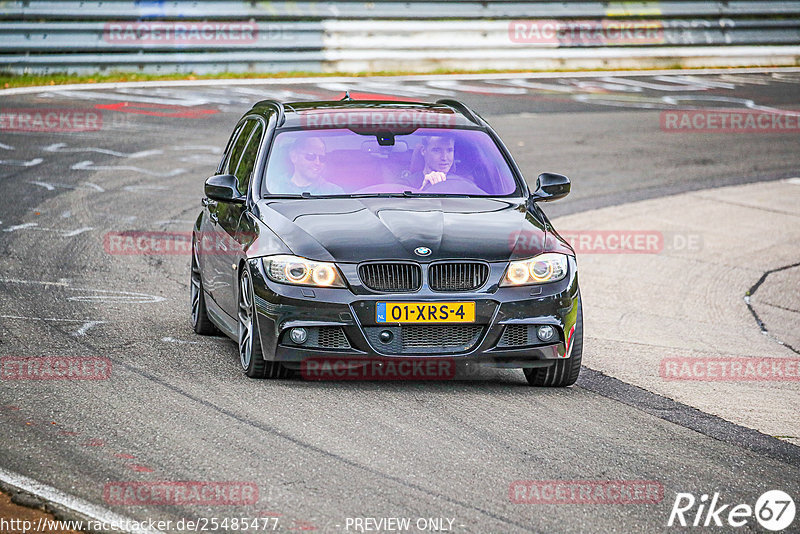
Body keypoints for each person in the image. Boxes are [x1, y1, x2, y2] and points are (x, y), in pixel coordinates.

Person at [275, 136, 344, 195]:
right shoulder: (274, 189)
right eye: (311, 156)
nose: (317, 162)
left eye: (322, 158)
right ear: (294, 157)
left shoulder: (334, 192)